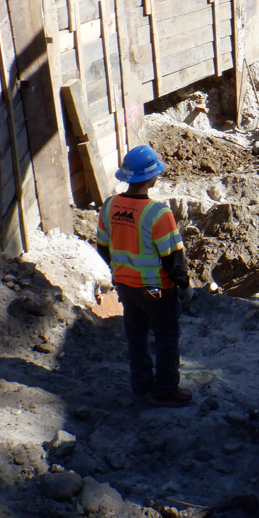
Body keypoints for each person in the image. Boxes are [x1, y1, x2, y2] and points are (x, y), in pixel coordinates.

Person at [96, 145, 193, 408]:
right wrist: (184, 286)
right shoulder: (158, 213)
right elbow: (173, 258)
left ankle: (140, 388)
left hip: (125, 287)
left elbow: (103, 246)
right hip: (156, 290)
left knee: (136, 336)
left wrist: (123, 271)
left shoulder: (110, 206)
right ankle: (164, 390)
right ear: (152, 178)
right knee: (166, 337)